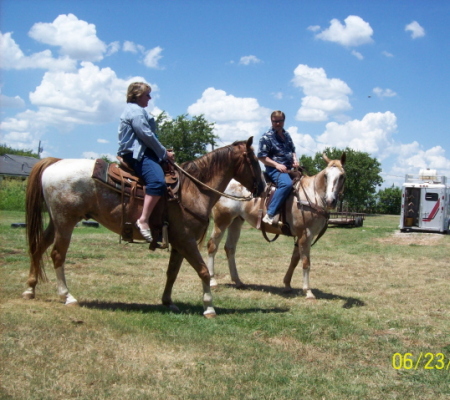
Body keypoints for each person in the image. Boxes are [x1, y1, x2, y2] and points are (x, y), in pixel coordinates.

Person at [117, 82, 175, 242]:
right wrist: (164, 153)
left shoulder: (136, 110)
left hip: (144, 153)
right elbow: (145, 134)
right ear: (137, 96)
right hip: (138, 155)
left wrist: (163, 152)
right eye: (147, 94)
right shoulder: (135, 111)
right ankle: (143, 220)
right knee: (157, 182)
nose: (150, 98)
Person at [257, 110, 299, 225]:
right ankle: (270, 213)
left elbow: (292, 150)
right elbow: (261, 157)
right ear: (271, 121)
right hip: (274, 169)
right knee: (286, 184)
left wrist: (295, 160)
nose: (277, 124)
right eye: (275, 121)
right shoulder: (266, 137)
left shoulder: (287, 135)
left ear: (284, 121)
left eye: (280, 121)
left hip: (289, 168)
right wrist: (277, 165)